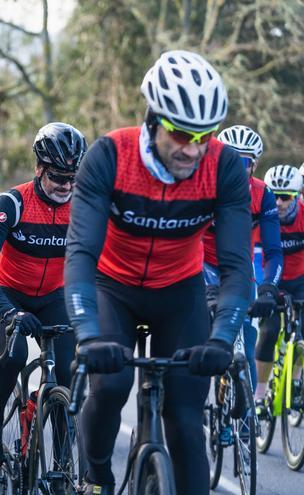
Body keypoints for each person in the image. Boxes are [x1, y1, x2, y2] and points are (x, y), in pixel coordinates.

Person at [64, 50, 252, 494]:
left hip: (179, 291)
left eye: (205, 135)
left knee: (187, 422)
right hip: (113, 286)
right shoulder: (110, 155)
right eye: (181, 133)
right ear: (153, 118)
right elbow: (80, 253)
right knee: (110, 386)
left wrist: (223, 338)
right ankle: (96, 479)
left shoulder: (223, 166)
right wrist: (89, 335)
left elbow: (236, 266)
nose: (193, 148)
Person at [0, 122, 86, 467]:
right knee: (15, 354)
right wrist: (11, 314)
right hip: (9, 294)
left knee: (65, 368)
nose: (65, 186)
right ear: (38, 169)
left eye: (71, 177)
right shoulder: (13, 203)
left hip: (53, 296)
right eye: (56, 176)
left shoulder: (82, 206)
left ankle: (63, 466)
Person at [203, 125, 282, 387]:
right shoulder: (202, 186)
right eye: (230, 159)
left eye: (244, 162)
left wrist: (269, 288)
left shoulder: (263, 194)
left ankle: (246, 425)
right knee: (198, 343)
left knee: (247, 350)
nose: (236, 168)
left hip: (238, 268)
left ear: (254, 165)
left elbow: (272, 250)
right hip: (200, 265)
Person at [254, 165, 304, 413]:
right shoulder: (262, 216)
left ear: (298, 195)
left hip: (300, 281)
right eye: (274, 195)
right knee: (269, 330)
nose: (280, 202)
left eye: (287, 197)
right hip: (270, 282)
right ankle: (260, 395)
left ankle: (295, 381)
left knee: (302, 336)